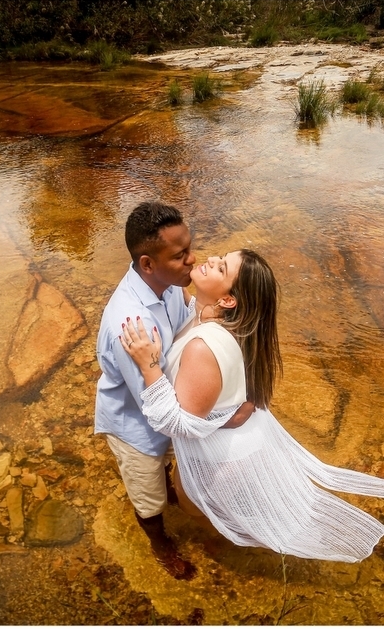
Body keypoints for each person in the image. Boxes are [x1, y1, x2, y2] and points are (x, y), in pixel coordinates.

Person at [119, 250, 384, 562]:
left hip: (221, 460)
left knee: (200, 512)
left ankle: (224, 548)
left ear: (229, 300)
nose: (212, 259)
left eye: (222, 267)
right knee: (210, 508)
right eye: (220, 257)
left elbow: (178, 424)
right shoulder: (218, 319)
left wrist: (150, 367)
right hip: (233, 448)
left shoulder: (203, 346)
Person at [94, 202, 253, 581]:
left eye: (189, 247)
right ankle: (159, 543)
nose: (192, 259)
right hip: (137, 427)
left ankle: (170, 487)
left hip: (169, 403)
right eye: (180, 255)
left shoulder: (165, 285)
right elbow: (155, 411)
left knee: (169, 475)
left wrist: (206, 314)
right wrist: (222, 420)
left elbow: (182, 328)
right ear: (147, 263)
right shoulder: (131, 327)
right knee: (148, 497)